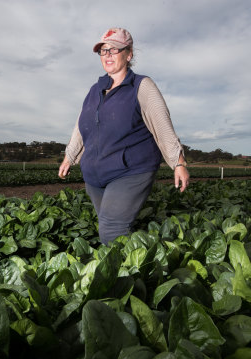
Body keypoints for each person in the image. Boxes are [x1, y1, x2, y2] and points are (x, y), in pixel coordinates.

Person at [58, 27, 190, 245]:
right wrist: (69, 156)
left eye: (114, 50)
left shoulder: (142, 86)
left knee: (111, 229)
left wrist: (178, 162)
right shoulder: (95, 90)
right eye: (103, 51)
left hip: (130, 171)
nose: (108, 55)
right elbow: (82, 124)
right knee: (110, 226)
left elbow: (162, 124)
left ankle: (124, 275)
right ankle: (136, 265)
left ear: (128, 54)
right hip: (96, 175)